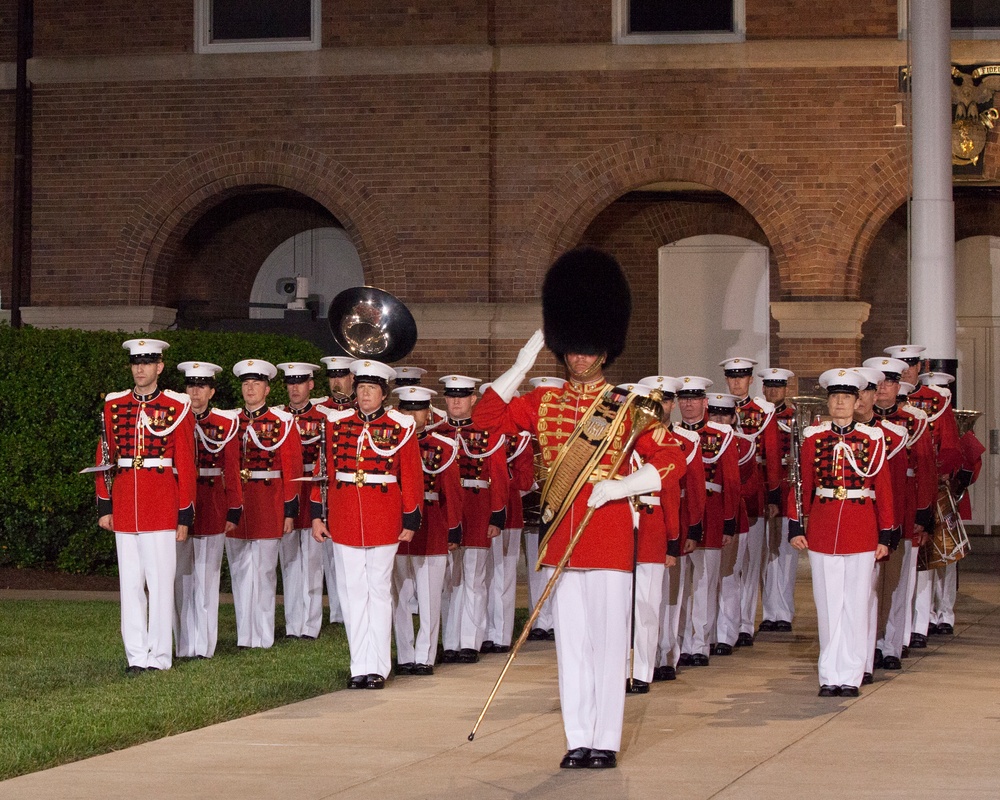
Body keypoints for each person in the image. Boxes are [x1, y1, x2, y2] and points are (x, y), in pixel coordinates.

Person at [474, 246, 686, 770]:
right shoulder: (542, 402)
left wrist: (621, 487)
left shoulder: (630, 407)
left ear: (605, 350)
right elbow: (485, 421)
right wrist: (521, 365)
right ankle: (577, 737)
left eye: (589, 350)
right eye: (572, 348)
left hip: (610, 534)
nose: (580, 359)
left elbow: (673, 460)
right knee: (571, 646)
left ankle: (605, 740)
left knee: (609, 643)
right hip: (560, 538)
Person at [311, 359, 423, 689]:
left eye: (371, 388)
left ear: (384, 393)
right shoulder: (336, 423)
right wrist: (318, 515)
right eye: (361, 388)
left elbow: (412, 475)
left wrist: (411, 517)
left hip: (384, 515)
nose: (364, 394)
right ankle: (358, 664)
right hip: (345, 515)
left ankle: (378, 666)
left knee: (378, 591)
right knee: (351, 593)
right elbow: (324, 473)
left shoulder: (401, 426)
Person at [789, 369, 894, 697]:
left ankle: (850, 675)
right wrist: (796, 524)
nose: (839, 402)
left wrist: (886, 534)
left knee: (856, 603)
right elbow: (801, 483)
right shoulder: (813, 438)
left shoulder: (872, 439)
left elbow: (884, 488)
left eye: (846, 397)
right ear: (829, 401)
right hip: (822, 527)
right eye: (835, 397)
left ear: (857, 401)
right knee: (828, 604)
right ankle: (829, 674)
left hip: (861, 527)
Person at [95, 338, 196, 673]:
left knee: (160, 583)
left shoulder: (176, 405)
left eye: (147, 362)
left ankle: (159, 656)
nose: (140, 368)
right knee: (130, 585)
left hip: (161, 503)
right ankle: (136, 655)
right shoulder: (114, 405)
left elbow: (185, 462)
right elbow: (105, 457)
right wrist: (104, 506)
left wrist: (185, 512)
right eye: (136, 362)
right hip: (125, 504)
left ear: (159, 367)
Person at [228, 359, 303, 649]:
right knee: (239, 571)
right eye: (246, 383)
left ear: (267, 389)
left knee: (264, 572)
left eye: (256, 383)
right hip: (239, 502)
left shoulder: (283, 422)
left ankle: (263, 635)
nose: (250, 388)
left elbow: (293, 470)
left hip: (268, 501)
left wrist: (289, 510)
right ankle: (245, 635)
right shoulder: (232, 420)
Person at [868, 356, 935, 670]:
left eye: (890, 382)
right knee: (869, 584)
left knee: (898, 582)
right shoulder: (864, 422)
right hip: (869, 511)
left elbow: (925, 470)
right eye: (878, 383)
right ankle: (871, 643)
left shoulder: (916, 420)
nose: (883, 389)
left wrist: (923, 516)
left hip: (905, 508)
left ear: (899, 386)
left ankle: (893, 644)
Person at [391, 385, 462, 675]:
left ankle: (425, 657)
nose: (412, 415)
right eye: (406, 409)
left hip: (432, 525)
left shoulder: (443, 446)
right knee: (399, 596)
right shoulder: (388, 443)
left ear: (428, 413)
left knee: (430, 598)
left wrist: (453, 529)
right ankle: (406, 655)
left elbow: (452, 493)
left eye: (417, 409)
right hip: (397, 526)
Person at [437, 374, 508, 663]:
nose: (456, 401)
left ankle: (469, 642)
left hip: (477, 507)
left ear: (472, 399)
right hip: (445, 510)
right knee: (447, 579)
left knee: (474, 578)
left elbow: (500, 474)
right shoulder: (437, 432)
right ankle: (449, 642)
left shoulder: (488, 431)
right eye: (452, 395)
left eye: (462, 396)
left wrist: (497, 514)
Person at [174, 360, 242, 659]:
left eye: (201, 386)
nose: (195, 392)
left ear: (212, 391)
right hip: (179, 502)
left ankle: (204, 645)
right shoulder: (174, 419)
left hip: (212, 502)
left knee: (206, 578)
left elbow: (232, 468)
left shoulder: (224, 424)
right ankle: (182, 644)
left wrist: (234, 508)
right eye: (191, 385)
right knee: (179, 580)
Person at [642, 375, 706, 682]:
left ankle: (667, 653)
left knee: (671, 594)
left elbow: (694, 488)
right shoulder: (632, 439)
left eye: (666, 400)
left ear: (672, 404)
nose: (661, 406)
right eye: (656, 400)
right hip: (641, 519)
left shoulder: (687, 441)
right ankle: (642, 656)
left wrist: (692, 529)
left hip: (674, 520)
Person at [625, 380, 683, 694]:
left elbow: (671, 494)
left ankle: (642, 672)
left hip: (651, 527)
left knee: (646, 605)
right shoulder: (614, 441)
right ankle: (619, 669)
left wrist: (672, 540)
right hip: (618, 526)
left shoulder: (662, 442)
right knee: (618, 606)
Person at [850, 366, 906, 685]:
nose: (858, 399)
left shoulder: (892, 435)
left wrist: (891, 526)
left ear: (873, 395)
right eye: (852, 393)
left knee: (873, 593)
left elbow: (893, 485)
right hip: (844, 524)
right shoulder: (828, 435)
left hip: (875, 522)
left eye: (865, 391)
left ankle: (868, 656)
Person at [720, 357, 781, 647]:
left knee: (751, 561)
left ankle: (745, 623)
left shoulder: (763, 411)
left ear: (750, 380)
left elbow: (770, 454)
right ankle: (727, 622)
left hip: (754, 487)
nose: (736, 383)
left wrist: (772, 495)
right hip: (726, 490)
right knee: (729, 563)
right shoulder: (717, 408)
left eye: (741, 378)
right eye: (732, 378)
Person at [276, 361, 328, 640]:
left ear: (310, 385)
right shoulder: (278, 417)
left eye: (300, 382)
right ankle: (292, 623)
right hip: (286, 491)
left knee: (311, 561)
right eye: (290, 382)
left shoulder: (323, 417)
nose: (294, 387)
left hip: (312, 491)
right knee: (289, 561)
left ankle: (310, 625)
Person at [483, 387, 534, 655]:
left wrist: (503, 482)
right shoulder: (478, 436)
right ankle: (482, 631)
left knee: (503, 574)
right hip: (480, 512)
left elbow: (528, 480)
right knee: (482, 576)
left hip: (510, 514)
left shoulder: (521, 440)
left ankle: (501, 634)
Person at [757, 367, 799, 633]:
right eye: (769, 387)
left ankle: (783, 611)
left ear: (786, 390)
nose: (773, 391)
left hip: (786, 488)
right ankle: (768, 612)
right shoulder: (756, 416)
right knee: (764, 556)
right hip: (760, 487)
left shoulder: (795, 417)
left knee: (785, 555)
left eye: (778, 387)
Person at [523, 376, 565, 641]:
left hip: (561, 509)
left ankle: (556, 618)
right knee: (535, 569)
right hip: (533, 509)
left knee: (559, 567)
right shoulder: (527, 435)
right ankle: (538, 618)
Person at [318, 355, 354, 625]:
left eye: (342, 376)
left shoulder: (360, 410)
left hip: (353, 487)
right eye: (333, 377)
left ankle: (346, 610)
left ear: (352, 378)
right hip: (327, 485)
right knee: (331, 558)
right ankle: (337, 613)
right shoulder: (320, 411)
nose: (337, 382)